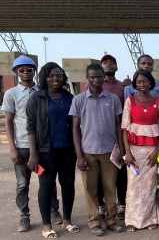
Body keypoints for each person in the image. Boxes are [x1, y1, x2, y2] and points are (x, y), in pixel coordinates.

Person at [4, 56, 62, 232]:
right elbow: (8, 120)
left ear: (35, 71)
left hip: (44, 145)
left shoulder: (42, 92)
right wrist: (12, 148)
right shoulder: (11, 94)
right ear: (16, 72)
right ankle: (24, 216)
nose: (26, 72)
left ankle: (54, 211)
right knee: (23, 184)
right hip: (22, 146)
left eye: (29, 69)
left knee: (49, 182)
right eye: (21, 70)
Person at [26, 62, 78, 238]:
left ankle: (67, 220)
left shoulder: (69, 97)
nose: (55, 79)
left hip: (67, 149)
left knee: (68, 184)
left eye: (58, 75)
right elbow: (31, 127)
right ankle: (46, 225)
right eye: (51, 76)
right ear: (44, 78)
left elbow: (76, 124)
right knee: (46, 186)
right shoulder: (37, 98)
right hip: (46, 151)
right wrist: (33, 154)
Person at [70, 64, 123, 236]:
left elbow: (118, 126)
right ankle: (94, 222)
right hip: (88, 151)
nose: (96, 80)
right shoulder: (78, 100)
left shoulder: (113, 99)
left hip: (109, 150)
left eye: (99, 76)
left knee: (110, 187)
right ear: (88, 78)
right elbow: (75, 129)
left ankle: (111, 219)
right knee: (90, 188)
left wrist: (121, 151)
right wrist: (79, 155)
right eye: (92, 77)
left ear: (104, 77)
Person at [121, 69, 159, 232]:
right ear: (135, 84)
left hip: (152, 151)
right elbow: (124, 129)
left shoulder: (158, 101)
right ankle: (132, 221)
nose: (142, 84)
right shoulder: (130, 101)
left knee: (149, 186)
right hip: (134, 150)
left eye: (145, 81)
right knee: (134, 186)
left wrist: (157, 151)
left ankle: (150, 219)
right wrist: (127, 152)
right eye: (139, 82)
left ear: (150, 83)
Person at [83, 54, 127, 220]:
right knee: (95, 182)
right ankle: (99, 211)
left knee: (116, 178)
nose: (109, 64)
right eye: (105, 62)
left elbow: (119, 121)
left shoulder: (122, 88)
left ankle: (118, 208)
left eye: (112, 62)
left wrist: (121, 146)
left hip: (114, 140)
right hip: (92, 143)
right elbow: (80, 120)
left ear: (116, 67)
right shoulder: (85, 92)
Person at [124, 54, 159, 123]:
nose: (146, 66)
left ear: (152, 67)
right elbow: (127, 112)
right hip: (136, 128)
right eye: (143, 63)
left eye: (149, 64)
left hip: (156, 127)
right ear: (138, 66)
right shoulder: (129, 88)